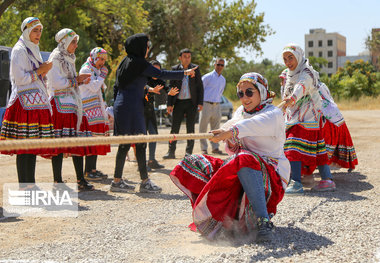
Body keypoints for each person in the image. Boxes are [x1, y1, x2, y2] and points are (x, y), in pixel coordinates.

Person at [170, 72, 290, 242]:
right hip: (244, 168)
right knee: (195, 161)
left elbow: (251, 125)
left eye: (250, 92)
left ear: (262, 91)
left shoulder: (273, 114)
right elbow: (232, 138)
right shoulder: (241, 112)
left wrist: (231, 132)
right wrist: (228, 137)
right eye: (241, 93)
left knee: (244, 158)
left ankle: (263, 221)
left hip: (271, 178)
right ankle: (217, 220)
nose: (244, 98)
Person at [111, 33, 199, 193]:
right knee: (140, 143)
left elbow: (119, 86)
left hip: (122, 106)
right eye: (146, 45)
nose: (148, 48)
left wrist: (115, 105)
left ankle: (117, 182)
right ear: (140, 47)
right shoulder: (139, 62)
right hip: (132, 107)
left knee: (124, 145)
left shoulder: (126, 62)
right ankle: (144, 182)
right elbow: (161, 74)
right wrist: (185, 73)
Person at [0, 17, 55, 188]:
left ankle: (30, 184)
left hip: (33, 104)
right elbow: (20, 79)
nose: (38, 34)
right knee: (24, 148)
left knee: (31, 146)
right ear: (26, 31)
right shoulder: (19, 50)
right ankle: (25, 185)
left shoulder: (33, 49)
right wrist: (41, 70)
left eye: (40, 30)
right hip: (23, 105)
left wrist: (41, 72)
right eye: (35, 30)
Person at [280, 44, 335, 194]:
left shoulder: (307, 72)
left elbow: (301, 86)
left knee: (292, 146)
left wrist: (292, 99)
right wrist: (285, 101)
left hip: (308, 117)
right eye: (285, 59)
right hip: (294, 117)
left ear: (298, 56)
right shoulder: (287, 73)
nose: (288, 62)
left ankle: (296, 182)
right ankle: (327, 180)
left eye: (291, 57)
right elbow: (286, 92)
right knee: (318, 149)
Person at [47, 28, 95, 191]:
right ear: (64, 42)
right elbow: (56, 83)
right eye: (73, 41)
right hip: (60, 104)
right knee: (59, 144)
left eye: (76, 41)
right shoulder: (56, 57)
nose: (76, 45)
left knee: (77, 141)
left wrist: (79, 81)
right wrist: (76, 80)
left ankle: (80, 179)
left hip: (72, 103)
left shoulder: (70, 58)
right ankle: (57, 182)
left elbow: (69, 82)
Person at [163, 48, 204, 159]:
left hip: (192, 103)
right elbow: (171, 87)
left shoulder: (196, 69)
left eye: (189, 56)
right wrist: (169, 104)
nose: (187, 59)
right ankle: (171, 152)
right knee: (174, 128)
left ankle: (188, 153)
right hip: (178, 103)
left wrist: (200, 103)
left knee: (190, 129)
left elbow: (200, 87)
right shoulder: (174, 69)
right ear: (180, 58)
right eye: (185, 56)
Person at [79, 47, 111, 180]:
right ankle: (88, 171)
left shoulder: (95, 69)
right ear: (94, 57)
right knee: (91, 139)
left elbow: (101, 87)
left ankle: (92, 168)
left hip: (96, 108)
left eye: (104, 59)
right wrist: (102, 76)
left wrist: (101, 76)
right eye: (101, 59)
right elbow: (93, 87)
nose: (103, 62)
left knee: (97, 137)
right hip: (88, 108)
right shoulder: (86, 69)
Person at [144, 60, 179, 170]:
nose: (156, 72)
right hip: (140, 111)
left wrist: (170, 92)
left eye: (158, 70)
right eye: (154, 70)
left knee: (154, 134)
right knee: (142, 138)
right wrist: (150, 90)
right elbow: (144, 87)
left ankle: (151, 160)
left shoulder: (159, 80)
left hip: (150, 111)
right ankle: (143, 163)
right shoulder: (144, 79)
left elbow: (166, 87)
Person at [318, 81, 358, 171]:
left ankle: (324, 165)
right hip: (337, 121)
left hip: (331, 123)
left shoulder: (323, 104)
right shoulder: (330, 103)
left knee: (328, 143)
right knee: (342, 141)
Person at [199, 58, 226, 155]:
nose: (219, 67)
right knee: (203, 128)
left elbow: (220, 93)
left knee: (216, 128)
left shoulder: (223, 80)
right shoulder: (207, 77)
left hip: (217, 105)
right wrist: (200, 104)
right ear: (214, 65)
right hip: (206, 104)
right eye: (218, 64)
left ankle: (215, 147)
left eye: (222, 65)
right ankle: (203, 148)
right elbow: (200, 90)